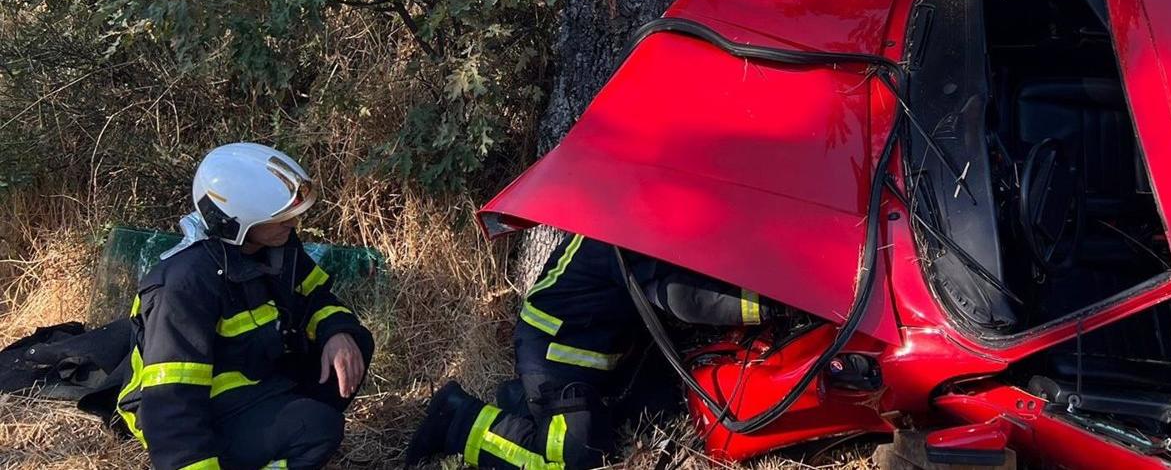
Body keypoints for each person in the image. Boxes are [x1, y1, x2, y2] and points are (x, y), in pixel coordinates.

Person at [404, 231, 775, 469]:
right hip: (556, 362)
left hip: (603, 352)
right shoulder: (623, 229)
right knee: (574, 461)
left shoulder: (627, 213)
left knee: (660, 405)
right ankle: (458, 418)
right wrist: (770, 305)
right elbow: (681, 296)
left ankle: (522, 403)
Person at [116, 142, 375, 470]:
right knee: (316, 428)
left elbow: (315, 298)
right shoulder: (184, 284)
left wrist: (336, 332)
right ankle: (285, 435)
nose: (293, 223)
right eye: (279, 217)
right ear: (236, 221)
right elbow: (172, 401)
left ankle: (286, 426)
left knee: (355, 343)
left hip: (254, 377)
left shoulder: (276, 247)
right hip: (204, 407)